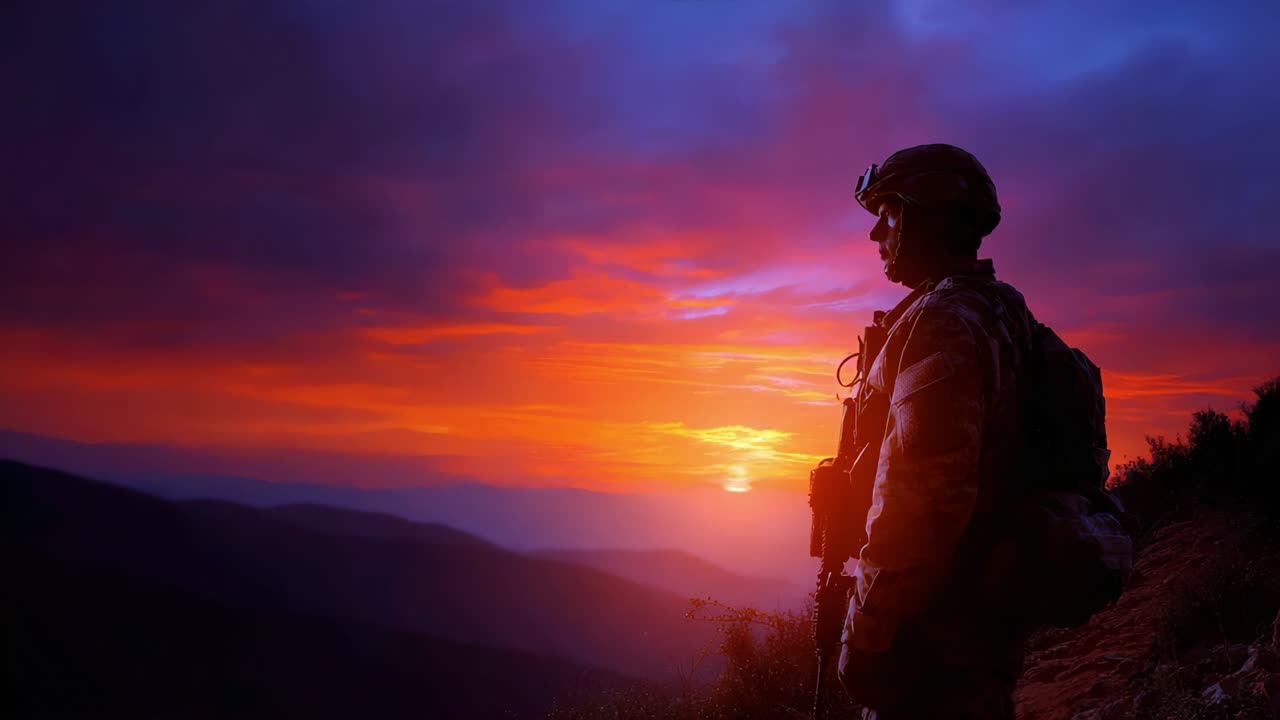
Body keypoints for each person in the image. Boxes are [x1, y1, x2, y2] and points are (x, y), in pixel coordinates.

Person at [836, 144, 1036, 719]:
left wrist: (866, 634)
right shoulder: (1001, 309)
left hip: (933, 639)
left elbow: (926, 500)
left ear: (929, 217)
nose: (877, 234)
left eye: (889, 215)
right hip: (975, 628)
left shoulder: (942, 323)